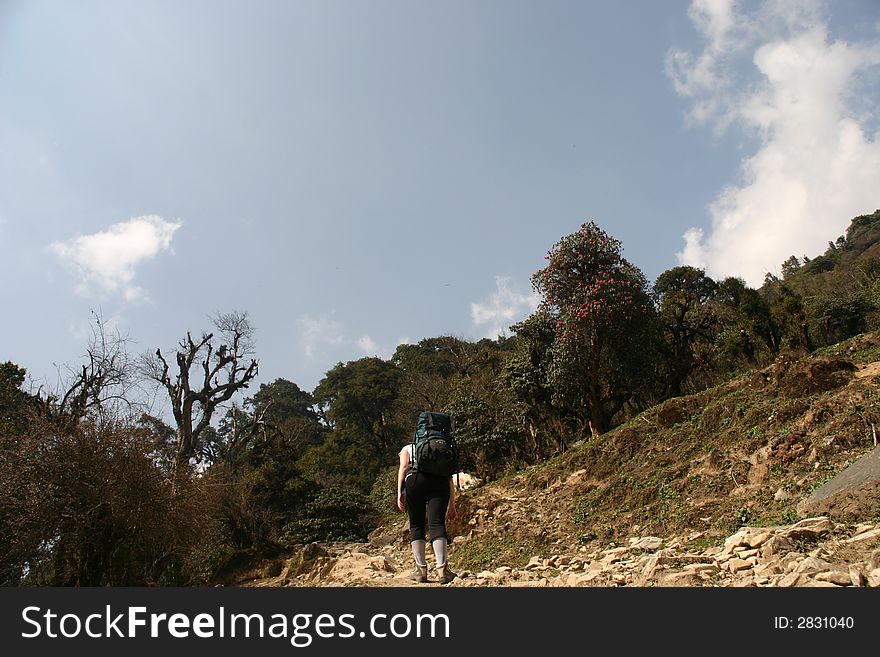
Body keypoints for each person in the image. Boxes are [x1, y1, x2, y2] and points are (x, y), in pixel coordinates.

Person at [396, 437, 458, 584]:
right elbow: (449, 477)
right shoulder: (441, 447)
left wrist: (399, 492)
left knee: (416, 524)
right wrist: (452, 504)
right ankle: (443, 570)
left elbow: (404, 467)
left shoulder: (408, 448)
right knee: (437, 523)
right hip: (440, 482)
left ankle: (421, 570)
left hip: (415, 480)